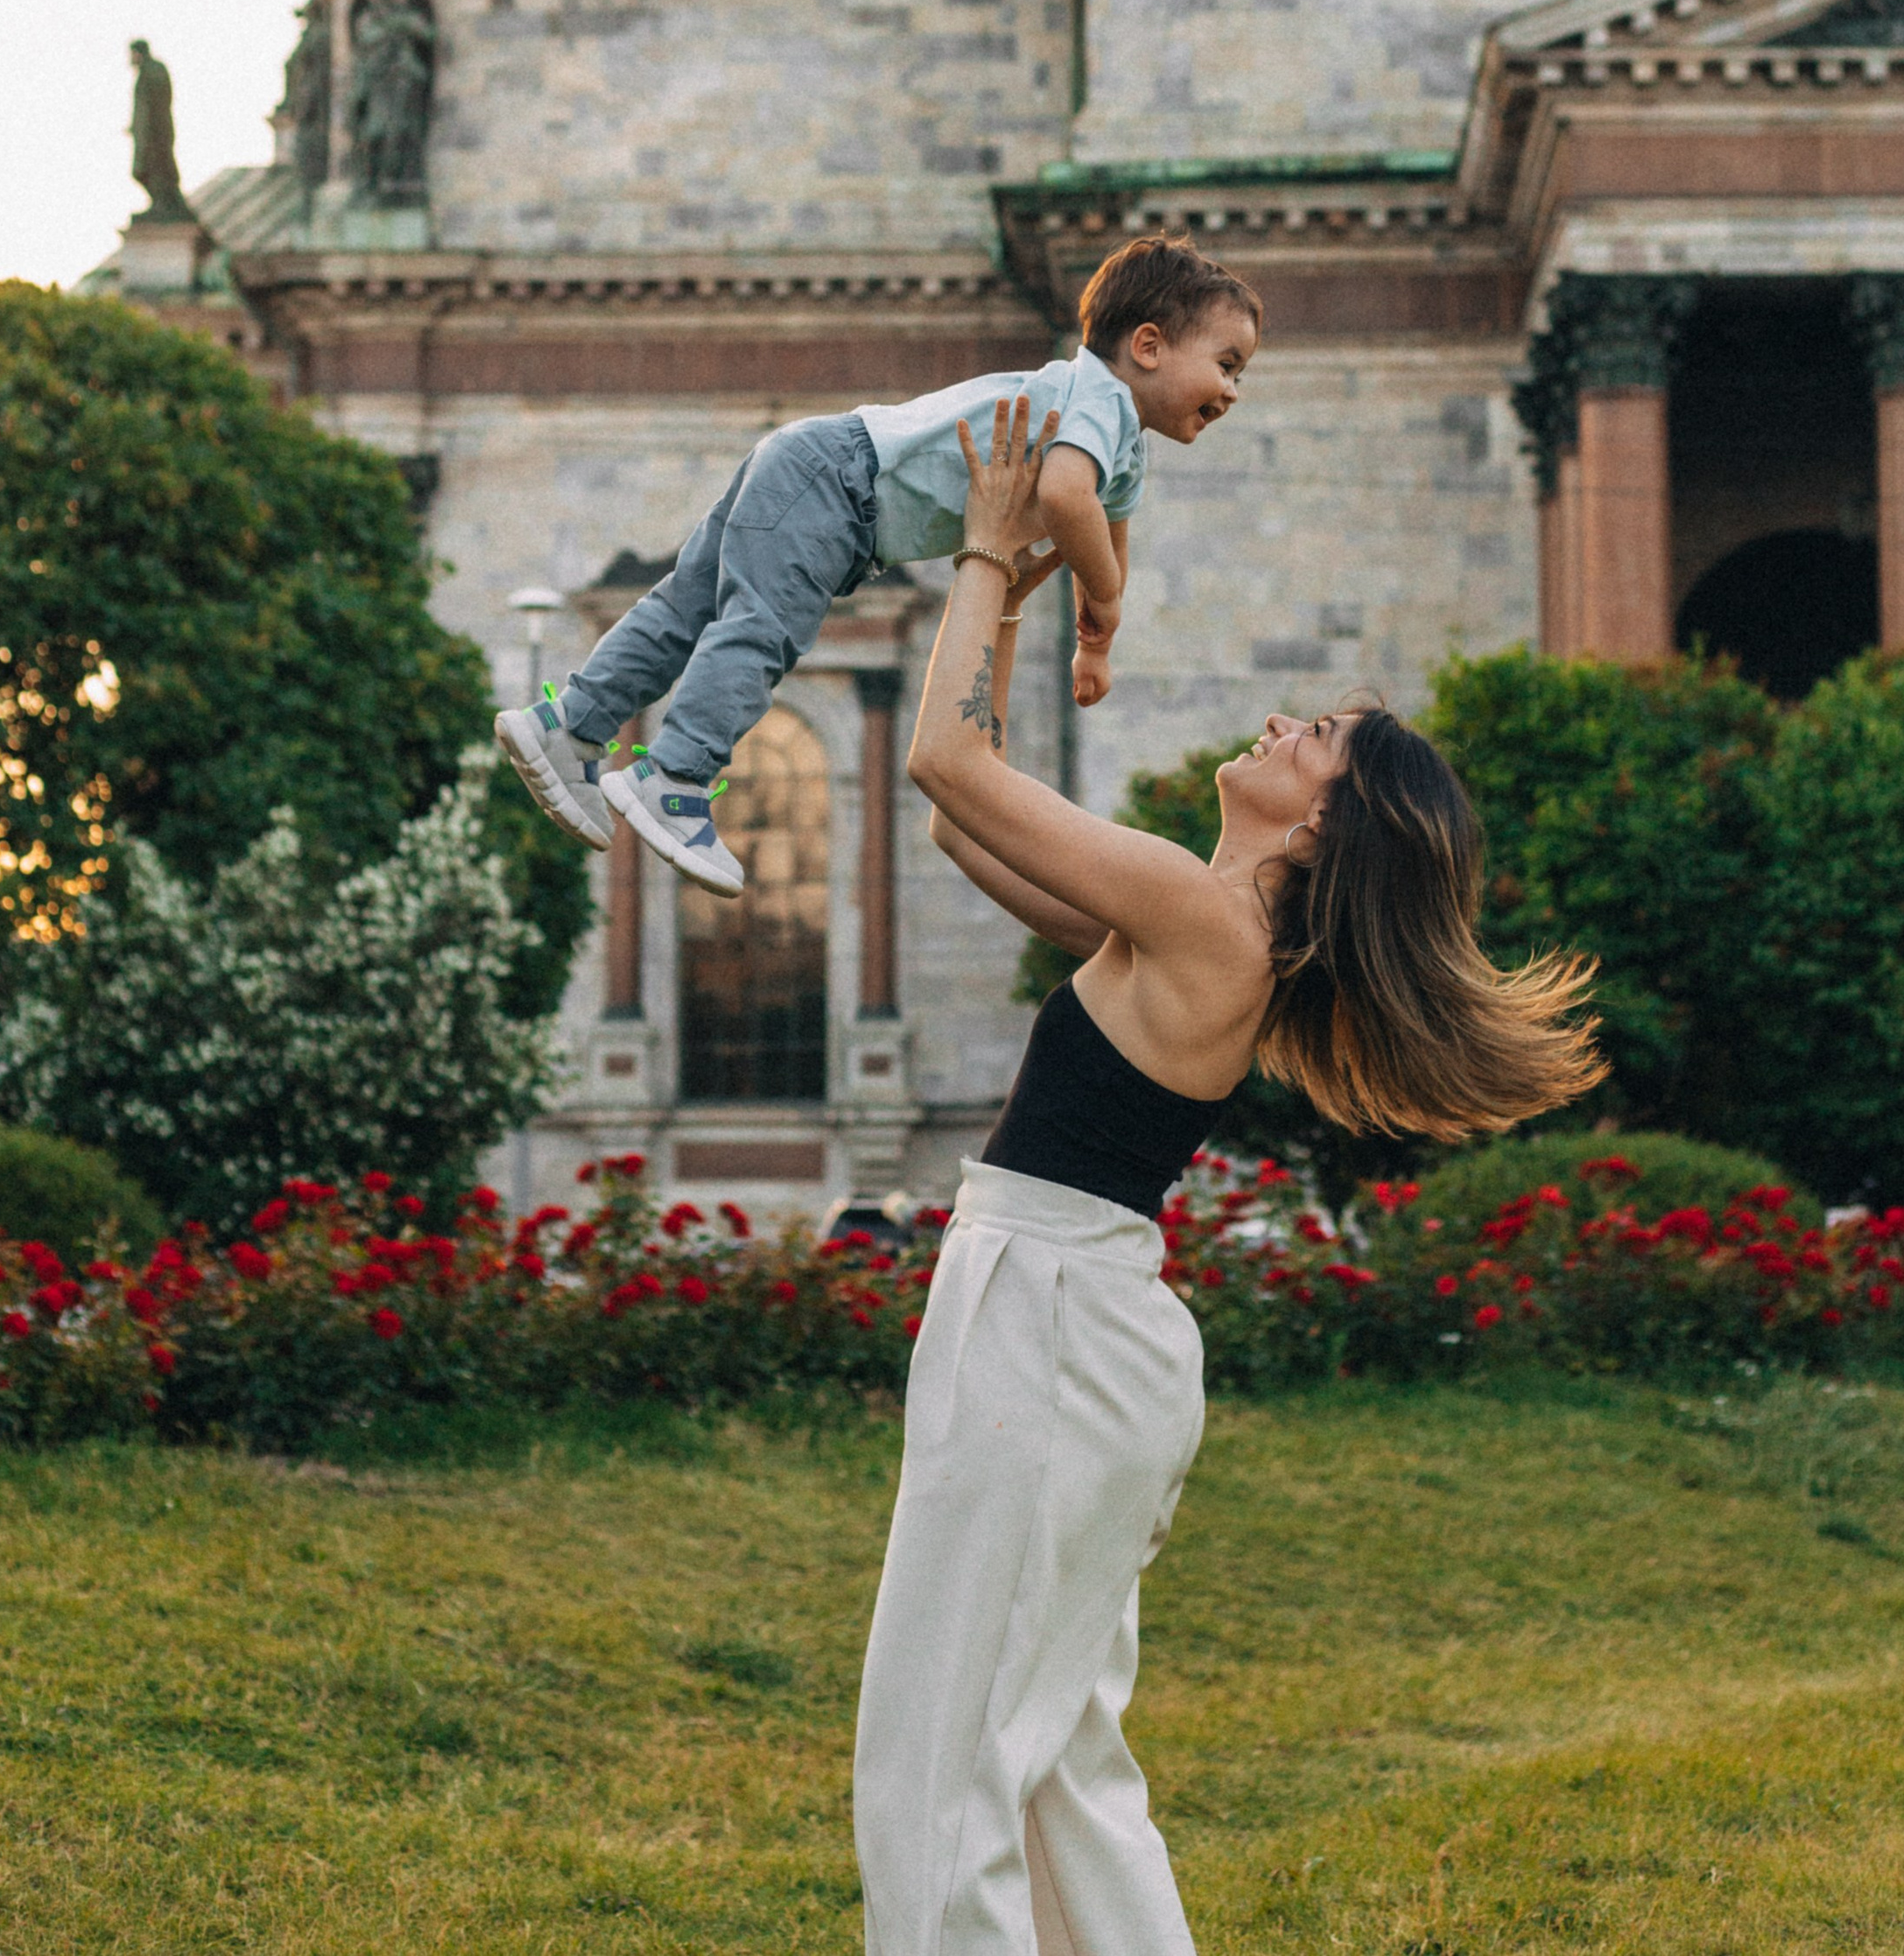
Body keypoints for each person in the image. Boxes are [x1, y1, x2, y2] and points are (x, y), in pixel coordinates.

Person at [854, 398, 1601, 1956]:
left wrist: (993, 551)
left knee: (946, 1753)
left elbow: (933, 755)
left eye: (1309, 739)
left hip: (1052, 1318)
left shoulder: (1208, 926)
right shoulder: (1193, 918)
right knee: (1049, 1755)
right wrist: (1011, 597)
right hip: (1067, 1315)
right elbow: (958, 826)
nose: (1275, 730)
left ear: (1328, 822)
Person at [493, 236, 1263, 899]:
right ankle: (676, 777)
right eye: (1226, 364)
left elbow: (1104, 537)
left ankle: (566, 725)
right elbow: (1068, 502)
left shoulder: (1121, 453)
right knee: (763, 629)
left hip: (818, 469)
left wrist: (1096, 641)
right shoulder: (1096, 394)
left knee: (684, 609)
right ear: (1150, 346)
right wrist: (1105, 596)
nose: (1232, 390)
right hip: (838, 485)